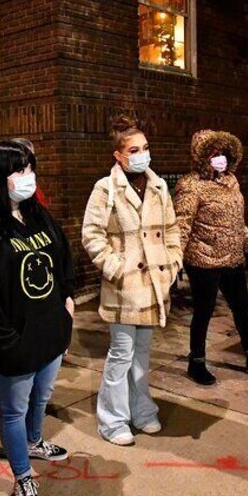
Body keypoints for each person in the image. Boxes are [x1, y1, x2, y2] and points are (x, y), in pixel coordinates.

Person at [0, 141, 75, 496]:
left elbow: (62, 260)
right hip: (10, 344)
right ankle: (23, 476)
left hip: (48, 336)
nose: (28, 178)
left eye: (30, 169)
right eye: (19, 171)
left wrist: (66, 308)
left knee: (41, 398)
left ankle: (35, 441)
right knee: (12, 411)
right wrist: (7, 344)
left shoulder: (38, 215)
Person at [81, 115, 182, 446]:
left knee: (142, 355)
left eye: (146, 147)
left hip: (152, 287)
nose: (142, 154)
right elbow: (92, 236)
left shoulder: (157, 185)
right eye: (134, 149)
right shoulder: (105, 189)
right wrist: (116, 268)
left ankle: (142, 411)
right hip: (124, 289)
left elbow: (171, 231)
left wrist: (172, 264)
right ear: (119, 155)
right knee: (121, 354)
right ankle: (112, 420)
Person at [173, 129, 248, 385]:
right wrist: (174, 258)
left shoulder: (231, 181)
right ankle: (196, 362)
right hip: (203, 259)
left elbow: (237, 219)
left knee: (243, 309)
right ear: (202, 157)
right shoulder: (191, 185)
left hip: (231, 258)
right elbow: (182, 224)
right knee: (203, 312)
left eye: (223, 153)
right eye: (214, 154)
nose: (220, 158)